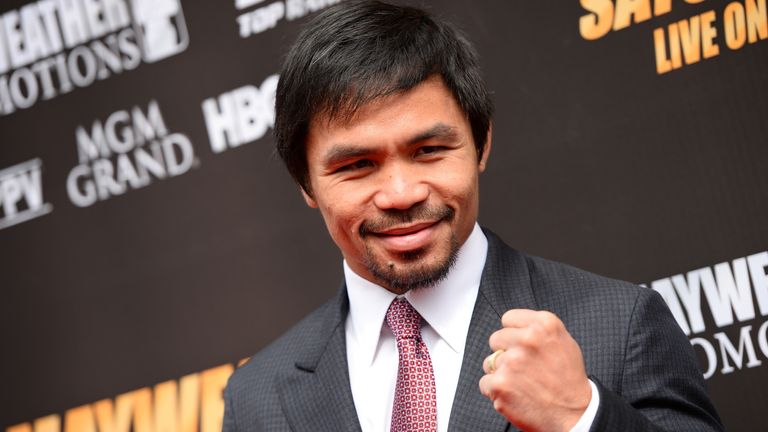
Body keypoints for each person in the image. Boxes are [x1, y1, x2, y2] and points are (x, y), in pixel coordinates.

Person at [222, 1, 723, 431]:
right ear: (306, 183)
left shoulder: (621, 324)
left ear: (481, 144)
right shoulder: (257, 397)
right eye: (357, 166)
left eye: (429, 150)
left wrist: (581, 416)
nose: (400, 194)